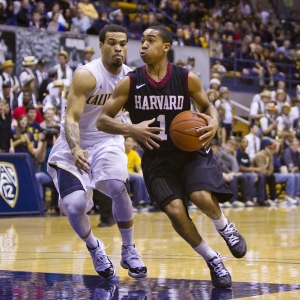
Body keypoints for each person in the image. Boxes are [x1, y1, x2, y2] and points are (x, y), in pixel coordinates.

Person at [97, 25, 247, 288]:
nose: (143, 45)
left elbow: (207, 105)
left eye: (150, 40)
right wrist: (131, 128)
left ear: (165, 47)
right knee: (176, 211)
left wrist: (213, 121)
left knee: (201, 196)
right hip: (157, 160)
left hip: (190, 153)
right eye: (141, 40)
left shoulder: (186, 78)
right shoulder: (130, 82)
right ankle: (212, 259)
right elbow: (102, 120)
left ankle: (225, 227)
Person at [47, 24, 147, 280]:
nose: (118, 48)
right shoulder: (87, 75)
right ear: (101, 46)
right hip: (74, 143)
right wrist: (75, 146)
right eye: (112, 42)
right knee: (74, 205)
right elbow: (71, 116)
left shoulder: (131, 78)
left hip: (108, 141)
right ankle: (95, 247)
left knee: (117, 186)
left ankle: (129, 249)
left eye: (123, 43)